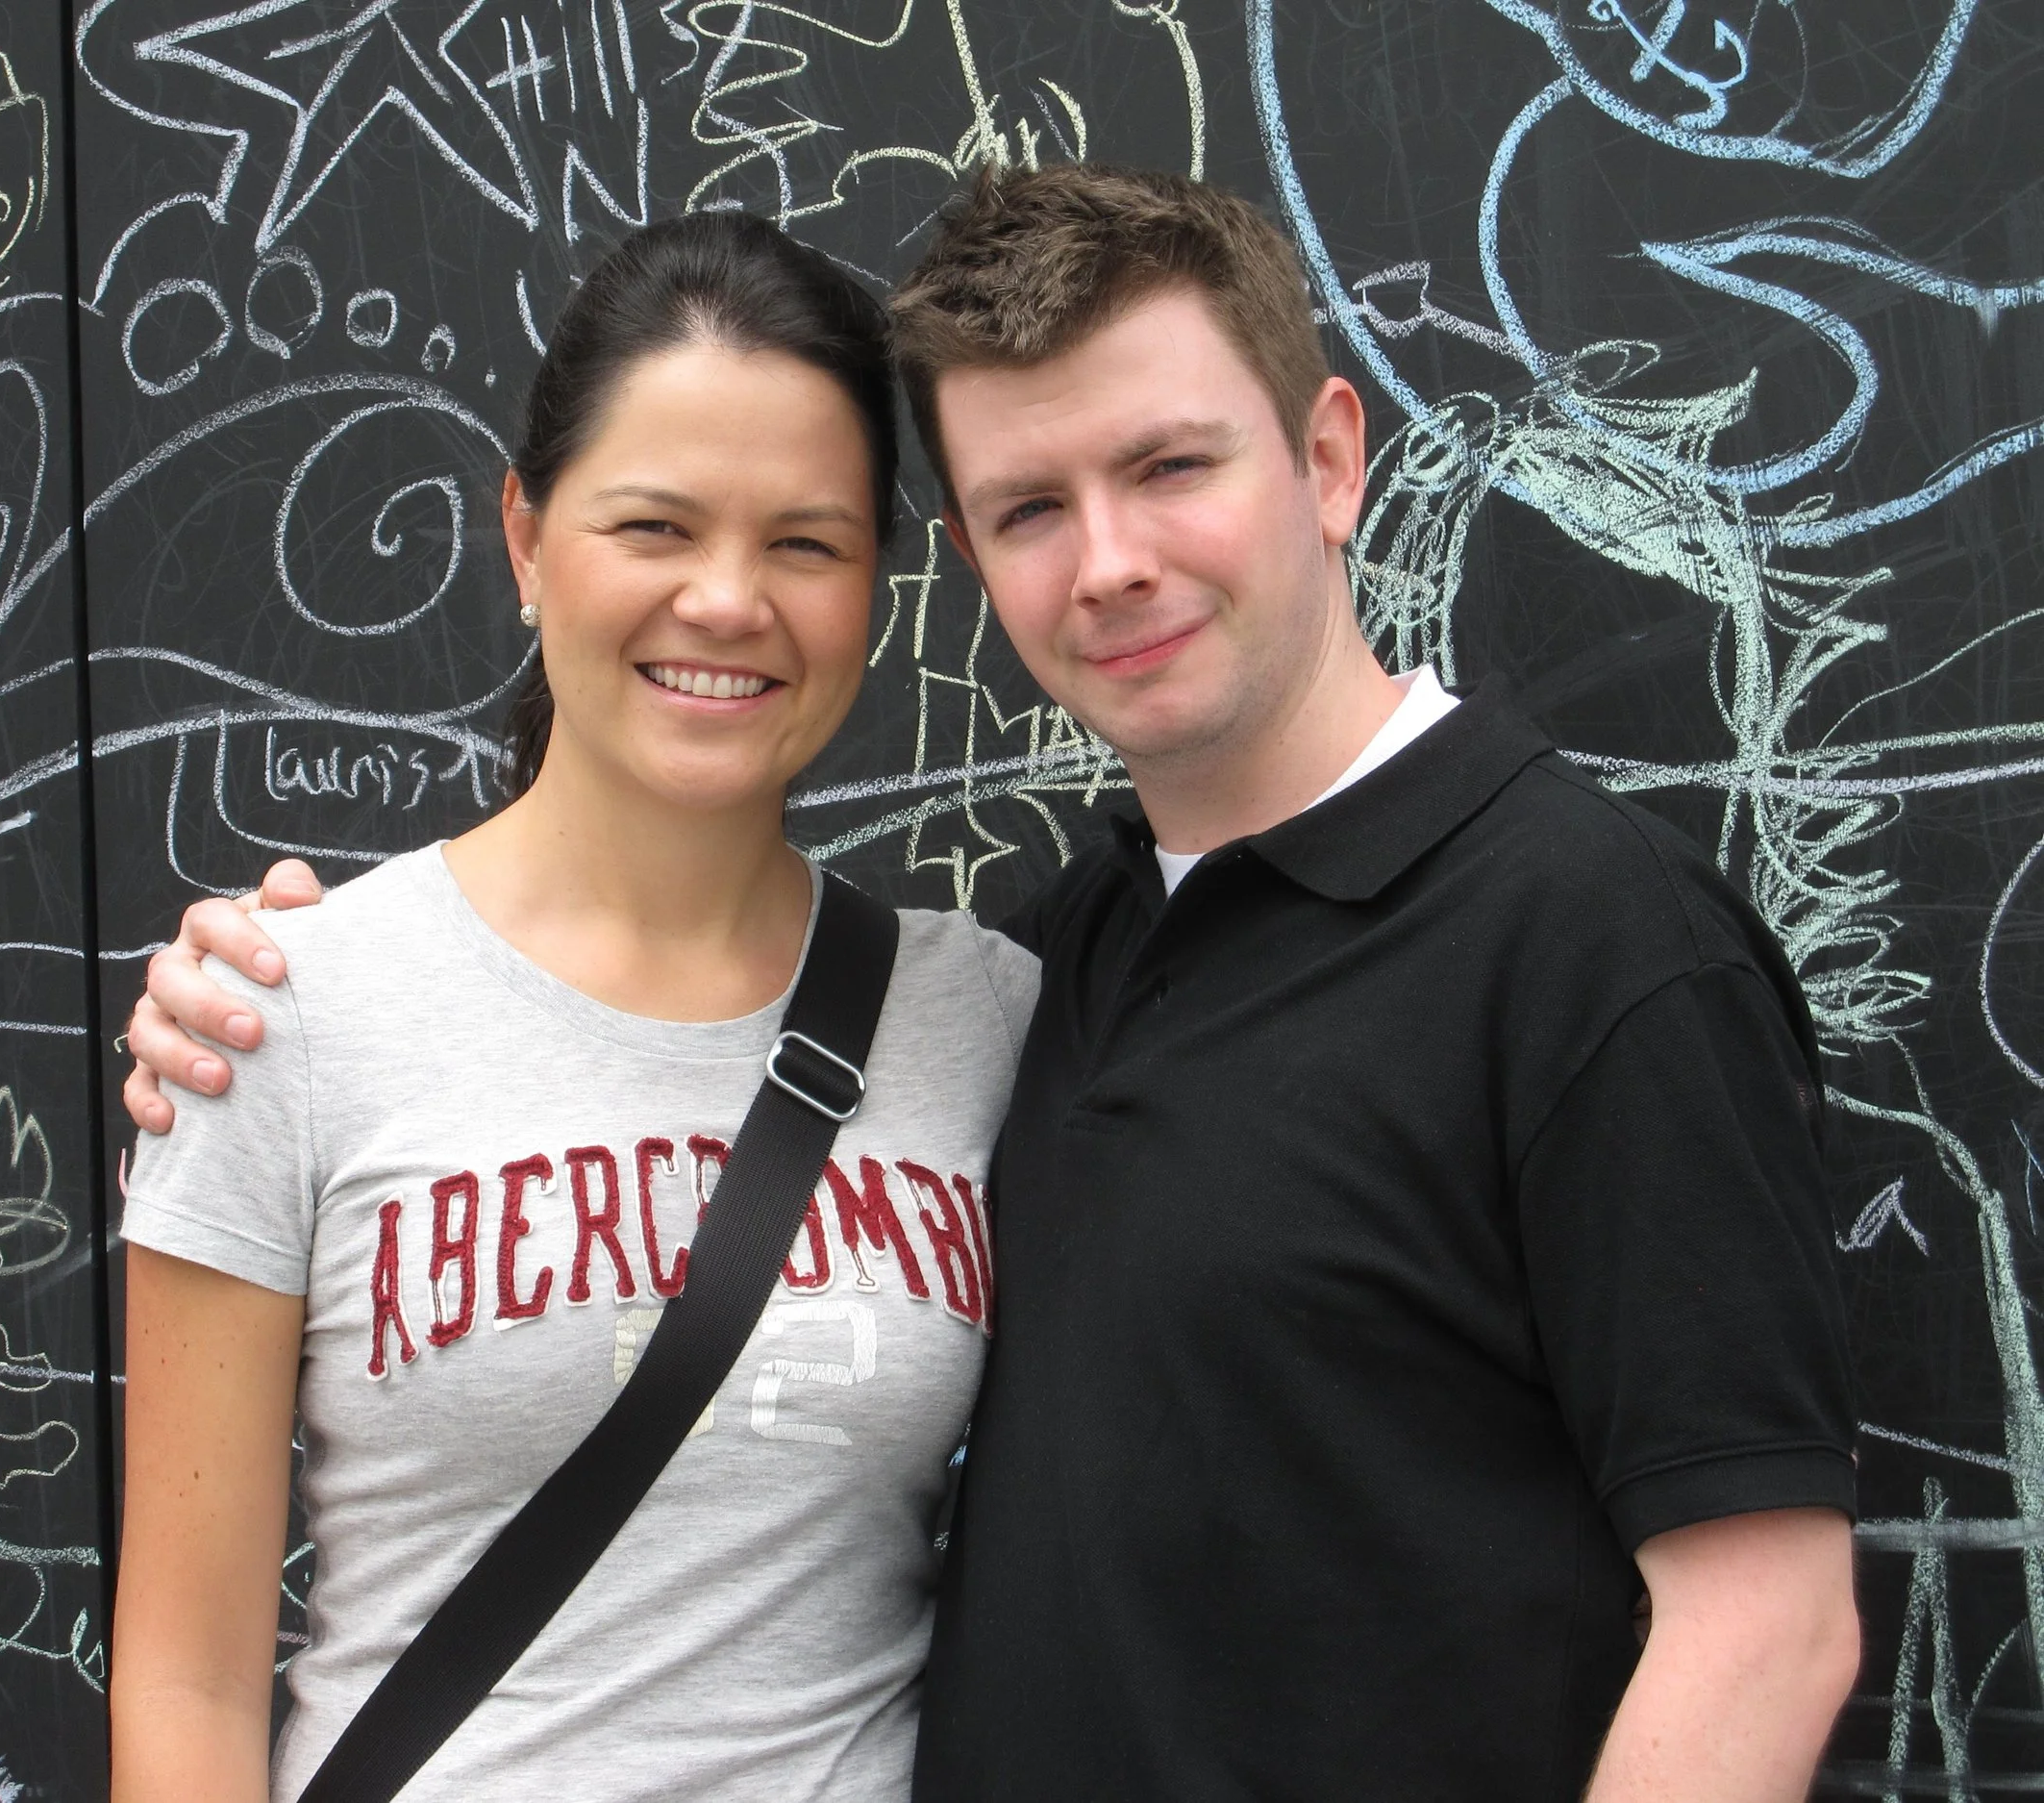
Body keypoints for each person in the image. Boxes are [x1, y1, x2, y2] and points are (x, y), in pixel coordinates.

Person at [127, 167, 1861, 1800]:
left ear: (1330, 461)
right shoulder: (1050, 964)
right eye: (1033, 505)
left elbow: (1765, 1623)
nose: (1107, 560)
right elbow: (191, 1666)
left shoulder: (1585, 945)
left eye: (1173, 466)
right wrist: (259, 993)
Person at [109, 210, 1040, 1803]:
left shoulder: (994, 1019)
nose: (729, 600)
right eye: (654, 527)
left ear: (876, 587)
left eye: (805, 543)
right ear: (529, 541)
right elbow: (188, 1680)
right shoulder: (279, 1013)